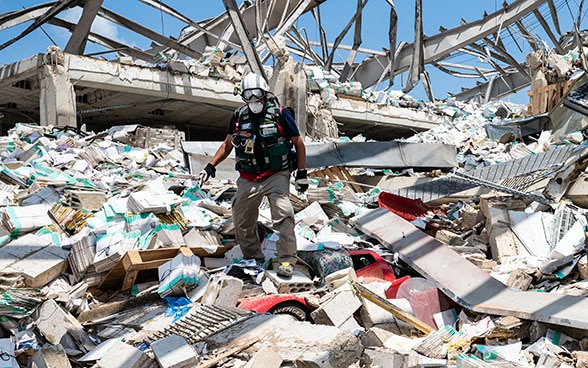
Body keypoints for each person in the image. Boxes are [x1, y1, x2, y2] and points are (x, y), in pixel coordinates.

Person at [198, 73, 308, 278]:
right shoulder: (239, 116)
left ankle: (285, 260)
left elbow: (298, 143)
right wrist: (210, 166)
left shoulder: (281, 114)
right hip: (249, 176)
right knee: (242, 218)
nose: (253, 102)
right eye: (248, 98)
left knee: (283, 214)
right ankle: (253, 258)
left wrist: (302, 173)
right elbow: (227, 144)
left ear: (265, 93)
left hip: (276, 174)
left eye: (257, 98)